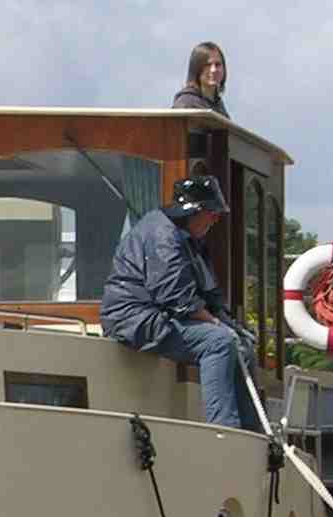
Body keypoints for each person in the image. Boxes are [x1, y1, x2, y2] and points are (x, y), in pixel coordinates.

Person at [99, 175, 260, 431]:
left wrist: (230, 323)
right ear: (195, 212)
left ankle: (255, 434)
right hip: (133, 319)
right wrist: (217, 324)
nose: (216, 220)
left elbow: (207, 293)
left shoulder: (188, 238)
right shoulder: (163, 235)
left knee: (242, 343)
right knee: (219, 342)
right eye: (212, 213)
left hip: (158, 316)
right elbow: (176, 297)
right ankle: (226, 431)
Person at [171, 41, 229, 115]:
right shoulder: (186, 103)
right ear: (196, 68)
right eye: (208, 65)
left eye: (218, 64)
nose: (213, 70)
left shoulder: (219, 105)